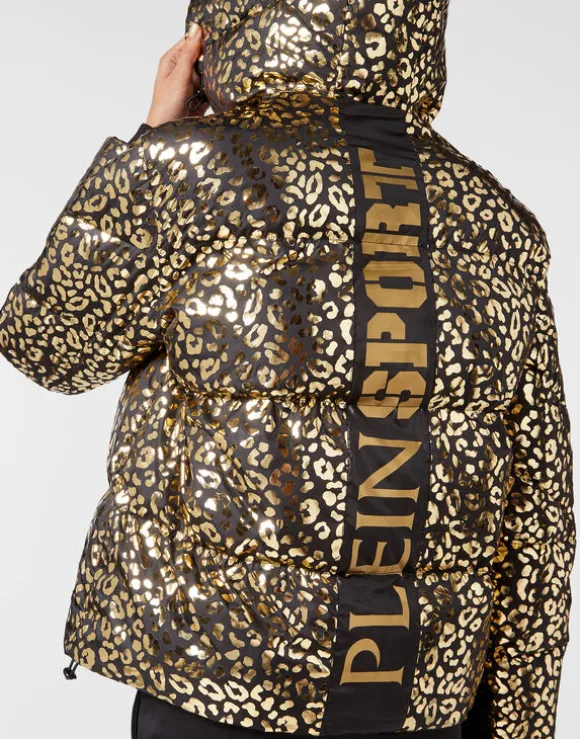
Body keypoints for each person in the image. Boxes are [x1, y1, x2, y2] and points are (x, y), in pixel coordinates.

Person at [0, 1, 575, 738]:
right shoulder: (497, 222)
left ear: (218, 28)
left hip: (219, 683)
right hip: (420, 699)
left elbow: (50, 344)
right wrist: (517, 723)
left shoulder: (192, 171)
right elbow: (539, 510)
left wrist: (153, 144)